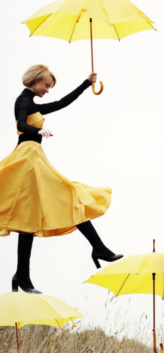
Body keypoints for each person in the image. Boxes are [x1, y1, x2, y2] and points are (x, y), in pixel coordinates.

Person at [0, 64, 122, 294]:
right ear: (35, 80)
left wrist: (86, 84)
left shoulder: (33, 103)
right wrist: (37, 131)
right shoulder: (23, 100)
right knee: (66, 196)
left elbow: (61, 103)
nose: (47, 90)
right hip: (27, 158)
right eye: (46, 85)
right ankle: (98, 248)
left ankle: (22, 275)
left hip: (34, 158)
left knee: (33, 215)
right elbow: (20, 124)